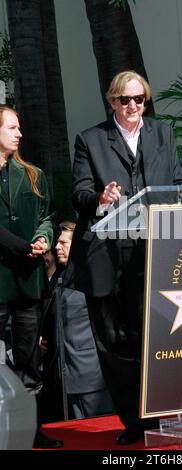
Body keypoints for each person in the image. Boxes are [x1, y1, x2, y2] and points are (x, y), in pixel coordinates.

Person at [64, 70, 182, 444]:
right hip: (108, 255)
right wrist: (100, 199)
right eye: (125, 100)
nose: (133, 106)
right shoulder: (90, 140)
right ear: (112, 101)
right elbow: (80, 193)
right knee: (118, 343)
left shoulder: (162, 134)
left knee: (157, 338)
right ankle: (134, 421)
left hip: (156, 252)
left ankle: (166, 413)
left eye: (140, 100)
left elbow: (178, 183)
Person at [0, 105, 62, 449]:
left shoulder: (33, 175)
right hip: (2, 279)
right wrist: (23, 247)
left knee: (28, 359)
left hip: (28, 282)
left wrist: (43, 239)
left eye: (19, 127)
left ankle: (31, 430)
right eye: (12, 127)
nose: (19, 133)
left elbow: (47, 217)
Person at [40, 222, 113, 422]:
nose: (57, 247)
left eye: (63, 242)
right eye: (57, 242)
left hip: (91, 379)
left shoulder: (91, 277)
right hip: (62, 379)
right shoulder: (57, 278)